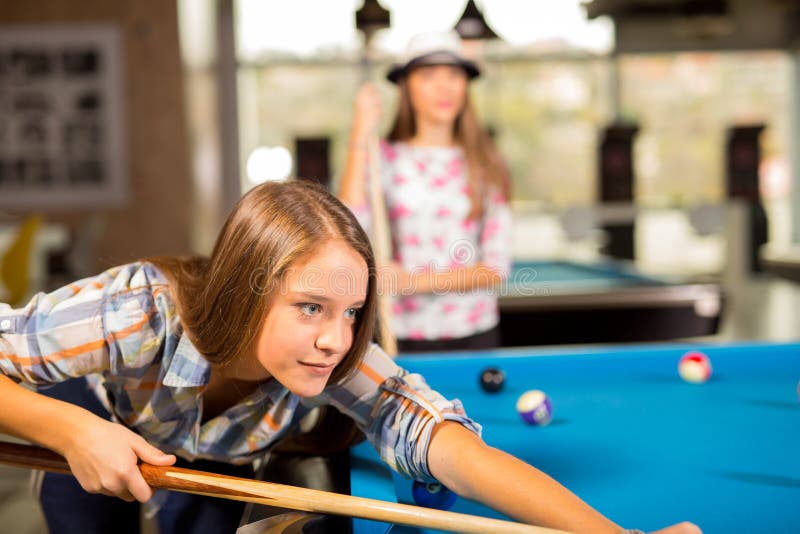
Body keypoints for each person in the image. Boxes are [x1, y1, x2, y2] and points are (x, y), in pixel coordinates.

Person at [0, 180, 698, 534]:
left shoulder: (333, 357)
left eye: (352, 312)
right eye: (310, 307)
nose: (337, 339)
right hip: (87, 425)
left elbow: (445, 443)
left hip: (202, 463)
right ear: (249, 289)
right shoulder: (138, 310)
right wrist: (71, 432)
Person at [338, 30, 512, 353]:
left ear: (465, 85)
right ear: (407, 86)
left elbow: (497, 266)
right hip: (402, 336)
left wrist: (413, 282)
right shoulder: (383, 158)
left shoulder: (487, 163)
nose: (444, 86)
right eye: (429, 75)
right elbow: (350, 225)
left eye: (453, 74)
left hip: (474, 335)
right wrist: (360, 130)